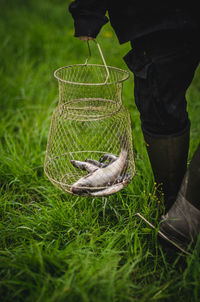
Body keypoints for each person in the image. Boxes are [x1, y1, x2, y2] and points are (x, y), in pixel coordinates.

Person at [68, 0, 200, 251]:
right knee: (158, 100)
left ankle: (190, 209)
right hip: (158, 15)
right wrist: (88, 10)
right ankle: (170, 204)